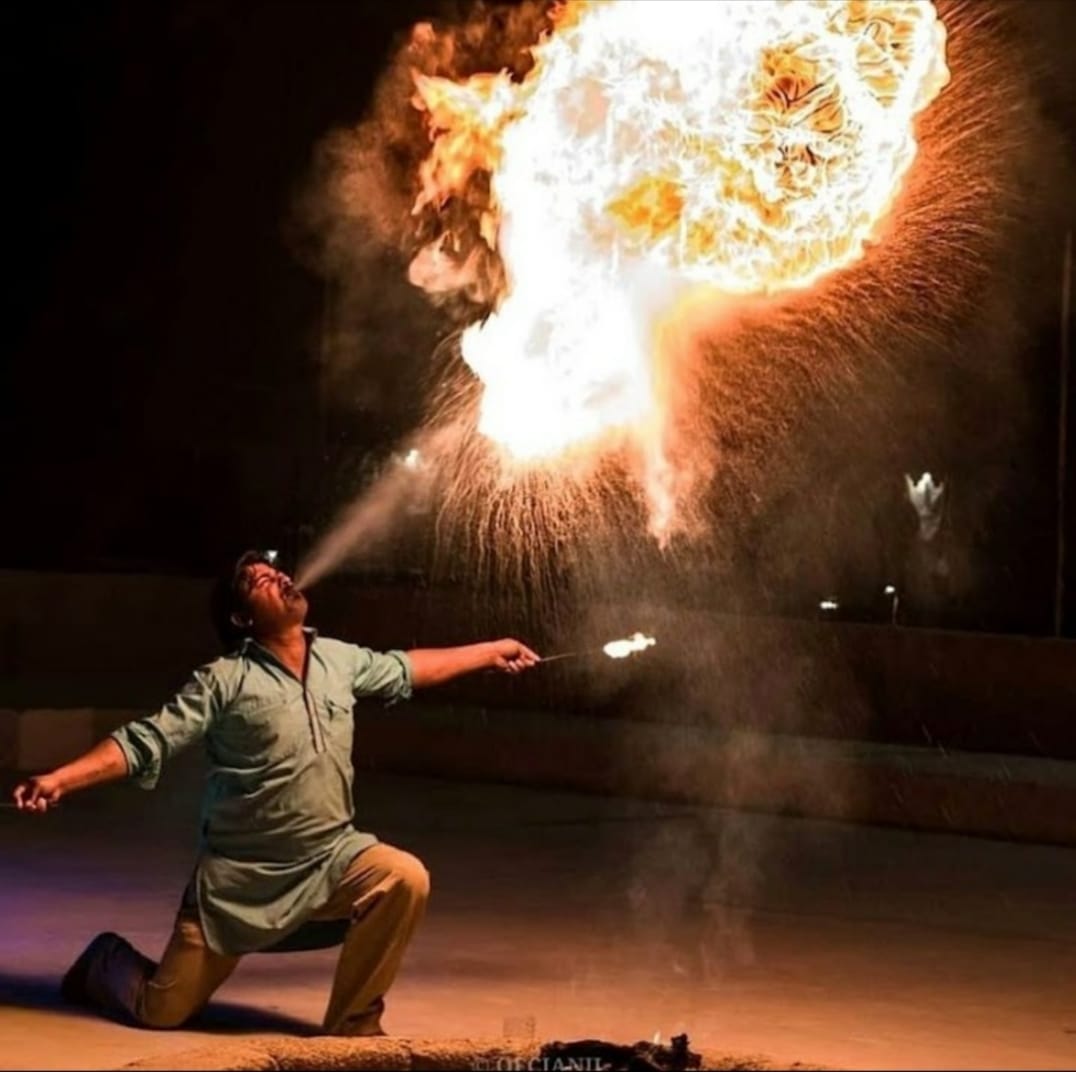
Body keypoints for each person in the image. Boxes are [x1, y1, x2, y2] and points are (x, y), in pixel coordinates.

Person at [12, 549, 540, 1036]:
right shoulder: (223, 680)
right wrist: (59, 779)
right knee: (161, 1010)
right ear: (242, 619)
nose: (280, 577)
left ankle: (353, 1027)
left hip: (331, 860)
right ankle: (104, 960)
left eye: (276, 572)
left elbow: (407, 667)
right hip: (239, 883)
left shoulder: (338, 659)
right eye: (258, 581)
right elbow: (146, 739)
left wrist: (490, 651)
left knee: (403, 877)